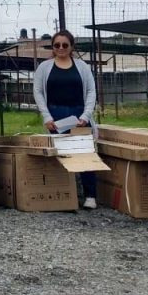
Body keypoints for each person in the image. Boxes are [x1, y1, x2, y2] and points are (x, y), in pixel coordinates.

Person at [33, 28, 98, 208]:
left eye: (65, 45)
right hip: (55, 115)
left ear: (71, 47)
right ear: (52, 47)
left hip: (78, 115)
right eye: (57, 45)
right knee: (58, 155)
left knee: (84, 153)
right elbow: (37, 92)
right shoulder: (44, 67)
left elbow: (92, 91)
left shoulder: (82, 67)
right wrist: (46, 116)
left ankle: (90, 195)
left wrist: (86, 115)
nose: (61, 48)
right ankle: (61, 194)